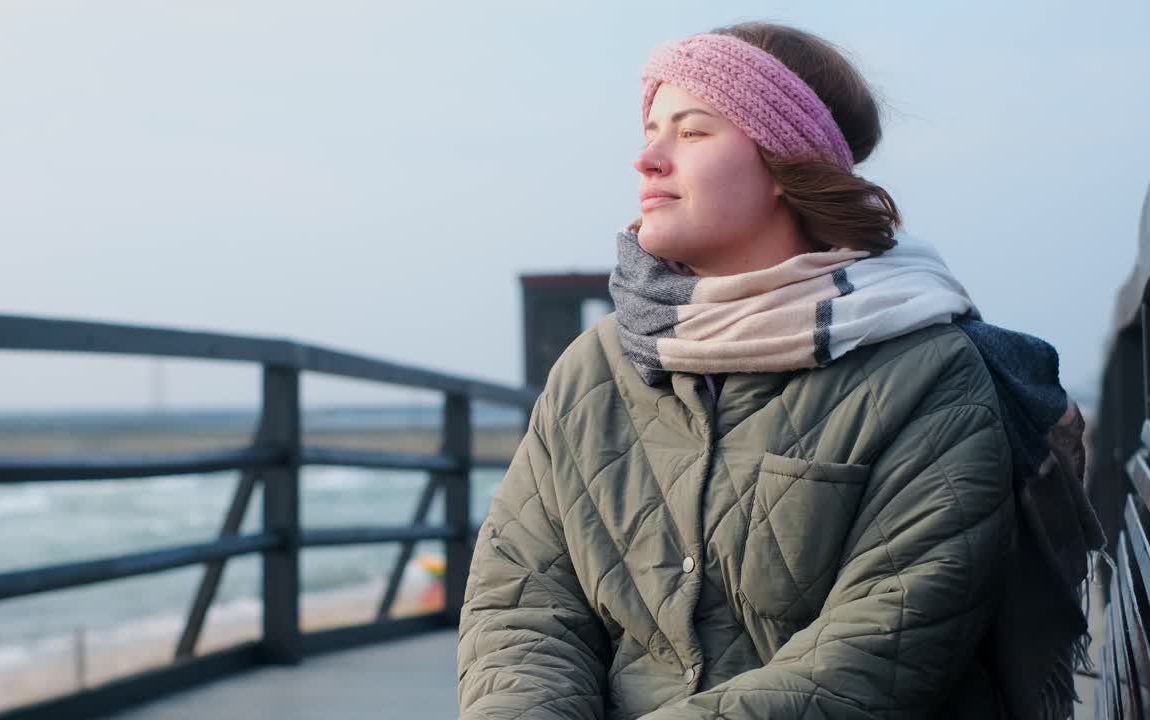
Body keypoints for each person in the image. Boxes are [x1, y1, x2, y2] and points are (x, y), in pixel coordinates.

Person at [457, 22, 1104, 720]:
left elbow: (877, 654)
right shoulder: (594, 368)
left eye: (693, 131)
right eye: (650, 129)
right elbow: (521, 605)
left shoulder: (927, 372)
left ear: (785, 165)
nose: (649, 158)